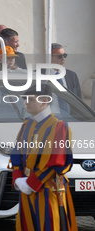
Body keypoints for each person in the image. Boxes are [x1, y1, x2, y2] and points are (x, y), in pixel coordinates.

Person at [10, 84, 77, 231]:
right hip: (26, 187)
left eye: (31, 99)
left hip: (48, 188)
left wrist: (31, 183)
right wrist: (18, 179)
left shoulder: (59, 126)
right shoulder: (26, 125)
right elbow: (16, 154)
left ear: (45, 100)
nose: (26, 102)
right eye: (26, 99)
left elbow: (57, 161)